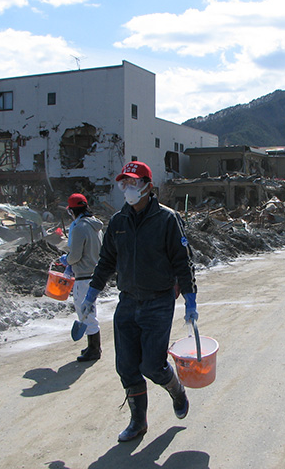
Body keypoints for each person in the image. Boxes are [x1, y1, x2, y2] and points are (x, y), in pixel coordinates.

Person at [80, 161, 198, 443]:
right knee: (127, 366)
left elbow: (183, 262)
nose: (128, 189)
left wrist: (191, 301)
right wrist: (91, 295)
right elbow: (106, 261)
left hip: (158, 302)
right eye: (124, 183)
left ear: (148, 186)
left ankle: (176, 389)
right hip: (128, 302)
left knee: (152, 366)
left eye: (133, 183)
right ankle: (138, 422)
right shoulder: (118, 222)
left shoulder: (167, 220)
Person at [59, 193, 104, 362]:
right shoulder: (95, 226)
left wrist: (66, 260)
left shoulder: (79, 227)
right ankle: (93, 345)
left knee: (85, 311)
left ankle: (94, 349)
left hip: (83, 275)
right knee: (90, 310)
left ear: (72, 210)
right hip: (95, 273)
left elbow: (75, 255)